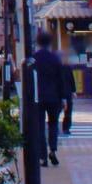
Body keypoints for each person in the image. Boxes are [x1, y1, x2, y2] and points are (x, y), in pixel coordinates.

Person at [29, 32, 68, 166]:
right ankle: (53, 149)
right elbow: (61, 79)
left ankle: (42, 156)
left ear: (38, 42)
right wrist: (63, 98)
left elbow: (30, 80)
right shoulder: (55, 59)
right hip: (54, 97)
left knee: (39, 126)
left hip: (38, 97)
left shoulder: (34, 59)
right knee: (53, 125)